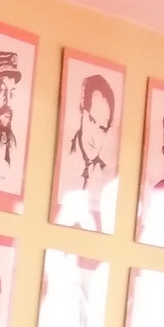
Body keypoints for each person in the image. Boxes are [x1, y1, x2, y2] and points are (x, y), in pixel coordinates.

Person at [55, 74, 116, 231]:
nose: (95, 138)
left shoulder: (110, 181)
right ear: (83, 109)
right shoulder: (59, 162)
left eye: (102, 129)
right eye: (92, 121)